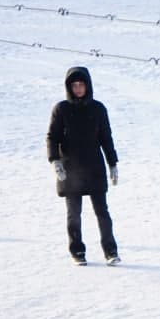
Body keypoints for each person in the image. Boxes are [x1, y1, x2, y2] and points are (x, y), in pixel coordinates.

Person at [46, 66, 120, 266]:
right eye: (74, 85)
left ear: (88, 85)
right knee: (74, 214)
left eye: (82, 84)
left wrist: (112, 163)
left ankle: (110, 251)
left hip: (94, 167)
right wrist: (55, 161)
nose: (78, 88)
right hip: (70, 169)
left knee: (102, 212)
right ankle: (77, 251)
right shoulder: (61, 109)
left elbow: (106, 138)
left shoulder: (98, 109)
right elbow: (52, 137)